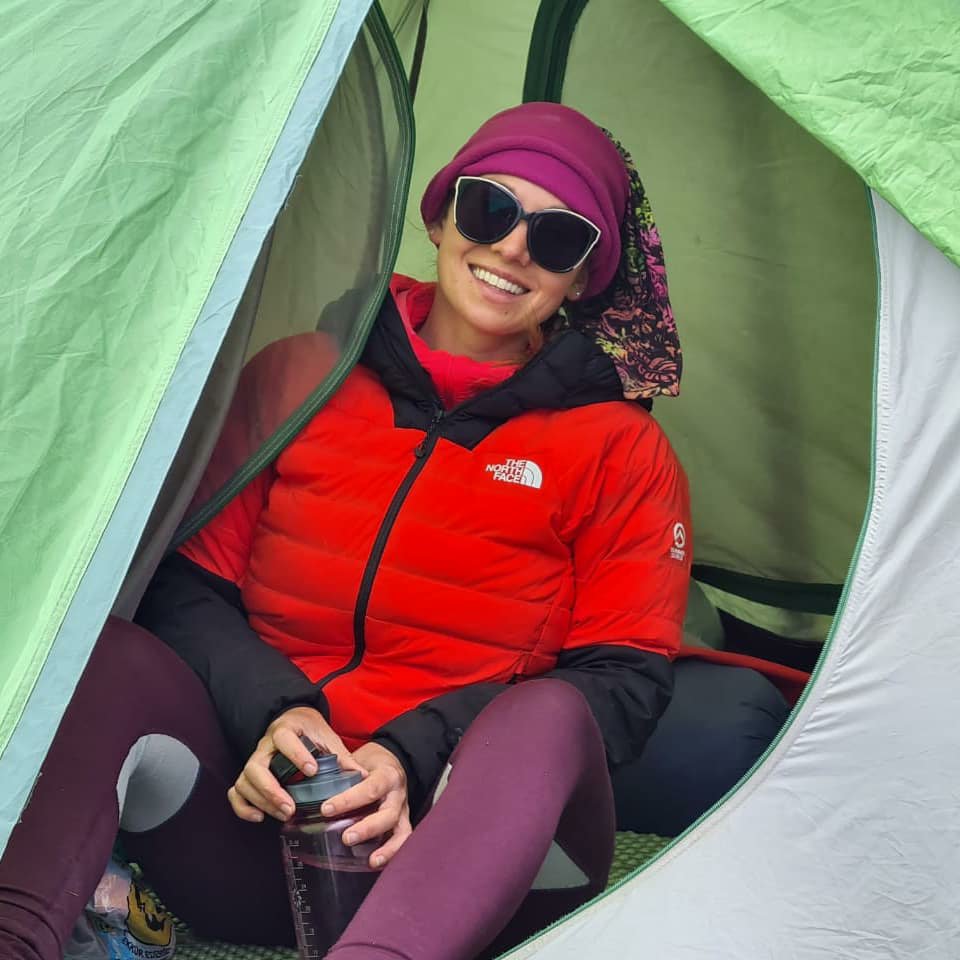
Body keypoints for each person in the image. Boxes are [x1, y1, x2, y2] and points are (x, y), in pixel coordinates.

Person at [0, 102, 692, 960]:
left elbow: (623, 684)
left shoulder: (621, 449)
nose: (513, 248)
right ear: (439, 216)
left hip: (481, 873)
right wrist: (274, 715)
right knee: (106, 655)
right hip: (257, 841)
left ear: (582, 279)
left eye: (556, 240)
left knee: (551, 715)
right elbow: (188, 588)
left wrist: (410, 753)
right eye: (490, 209)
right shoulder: (300, 375)